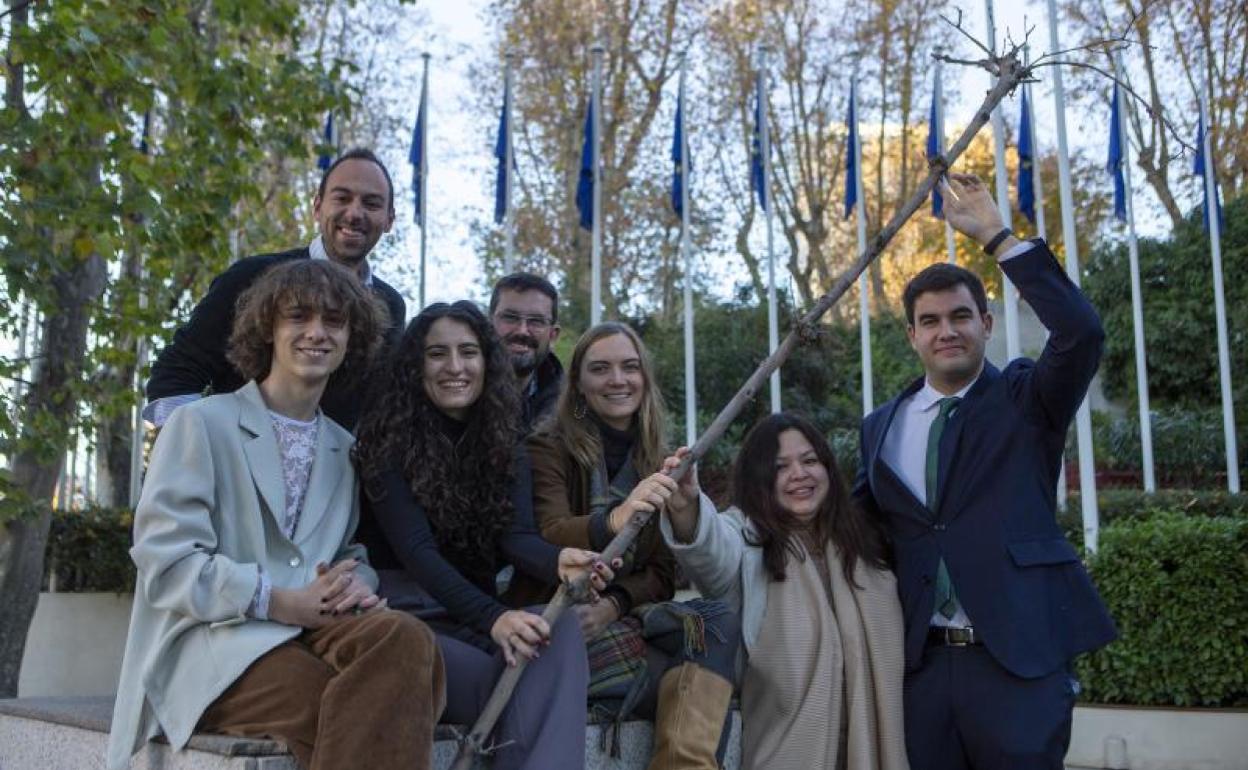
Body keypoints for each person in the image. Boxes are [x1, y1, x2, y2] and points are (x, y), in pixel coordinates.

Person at [107, 260, 445, 770]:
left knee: (408, 639)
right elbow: (168, 563)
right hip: (215, 641)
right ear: (268, 327)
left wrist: (356, 581)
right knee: (353, 702)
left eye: (334, 321)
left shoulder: (343, 447)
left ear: (352, 338)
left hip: (314, 628)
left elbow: (345, 549)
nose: (317, 332)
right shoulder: (200, 424)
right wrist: (278, 601)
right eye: (298, 317)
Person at [854, 173, 1117, 770]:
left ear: (986, 324)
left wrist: (998, 237)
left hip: (1017, 667)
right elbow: (857, 527)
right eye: (930, 321)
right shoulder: (879, 428)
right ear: (912, 335)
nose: (947, 331)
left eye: (960, 316)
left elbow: (1081, 333)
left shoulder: (1027, 400)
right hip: (921, 669)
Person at [351, 301, 614, 770]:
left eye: (468, 352)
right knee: (518, 683)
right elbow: (418, 553)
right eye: (437, 354)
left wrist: (560, 561)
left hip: (473, 618)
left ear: (487, 362)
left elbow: (517, 536)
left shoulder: (503, 438)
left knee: (555, 626)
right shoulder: (384, 443)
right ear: (415, 366)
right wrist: (495, 618)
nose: (455, 367)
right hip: (409, 621)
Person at [509, 321, 740, 770]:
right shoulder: (545, 448)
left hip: (618, 622)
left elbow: (661, 574)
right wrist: (617, 517)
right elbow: (550, 532)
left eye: (630, 367)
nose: (618, 379)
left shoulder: (658, 458)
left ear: (645, 379)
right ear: (578, 385)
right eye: (600, 369)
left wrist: (614, 605)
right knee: (692, 681)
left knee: (714, 623)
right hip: (555, 619)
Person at [661, 412, 909, 770]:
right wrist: (686, 507)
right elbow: (710, 551)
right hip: (784, 752)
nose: (799, 474)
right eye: (781, 467)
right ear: (758, 479)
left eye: (810, 461)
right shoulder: (746, 540)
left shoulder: (864, 543)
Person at [144, 148, 407, 430]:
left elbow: (378, 410)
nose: (354, 213)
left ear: (389, 219)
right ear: (317, 207)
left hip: (335, 459)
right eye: (342, 198)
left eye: (371, 203)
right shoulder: (252, 277)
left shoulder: (390, 305)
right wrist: (195, 445)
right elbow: (175, 374)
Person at [489, 272, 564, 433]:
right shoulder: (457, 392)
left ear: (553, 335)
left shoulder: (573, 408)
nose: (522, 331)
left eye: (536, 321)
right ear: (488, 325)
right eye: (510, 317)